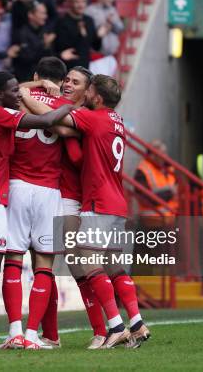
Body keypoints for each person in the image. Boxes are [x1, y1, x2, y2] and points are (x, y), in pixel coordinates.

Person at [0, 72, 74, 340]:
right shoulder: (0, 114)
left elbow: (17, 90)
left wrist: (36, 86)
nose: (18, 94)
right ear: (0, 94)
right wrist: (70, 105)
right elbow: (47, 120)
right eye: (13, 91)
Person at [54, 74, 150, 348]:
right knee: (114, 265)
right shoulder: (116, 121)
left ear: (96, 96)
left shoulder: (93, 117)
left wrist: (33, 99)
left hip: (98, 201)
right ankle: (137, 322)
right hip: (118, 202)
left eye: (88, 89)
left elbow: (58, 125)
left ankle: (115, 326)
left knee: (88, 263)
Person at [21, 66, 111, 349]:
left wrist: (28, 93)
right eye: (67, 80)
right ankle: (51, 334)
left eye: (76, 82)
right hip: (53, 194)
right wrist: (39, 85)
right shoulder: (63, 106)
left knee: (77, 265)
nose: (68, 84)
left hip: (72, 197)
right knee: (46, 264)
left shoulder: (83, 119)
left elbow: (52, 123)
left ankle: (103, 329)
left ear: (89, 91)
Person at [0, 57, 70, 350]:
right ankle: (31, 335)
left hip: (16, 186)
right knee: (44, 265)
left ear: (37, 75)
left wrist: (32, 85)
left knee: (13, 260)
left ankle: (13, 331)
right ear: (61, 81)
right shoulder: (62, 104)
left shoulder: (18, 99)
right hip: (48, 190)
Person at [134, 139, 178, 228]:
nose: (165, 156)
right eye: (161, 153)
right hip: (151, 224)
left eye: (165, 153)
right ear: (152, 155)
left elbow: (179, 188)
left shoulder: (169, 168)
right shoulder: (142, 171)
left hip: (170, 222)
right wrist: (170, 192)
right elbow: (145, 199)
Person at [54, 0, 101, 70]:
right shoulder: (62, 22)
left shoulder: (89, 20)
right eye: (77, 2)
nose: (80, 5)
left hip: (85, 68)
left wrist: (99, 36)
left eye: (83, 1)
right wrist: (80, 35)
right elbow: (60, 47)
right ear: (70, 3)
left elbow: (95, 46)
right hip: (66, 68)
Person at [11, 1, 55, 82]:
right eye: (42, 13)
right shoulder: (21, 33)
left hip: (45, 76)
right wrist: (44, 45)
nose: (45, 16)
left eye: (45, 13)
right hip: (27, 79)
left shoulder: (45, 30)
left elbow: (50, 55)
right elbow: (27, 58)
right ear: (30, 15)